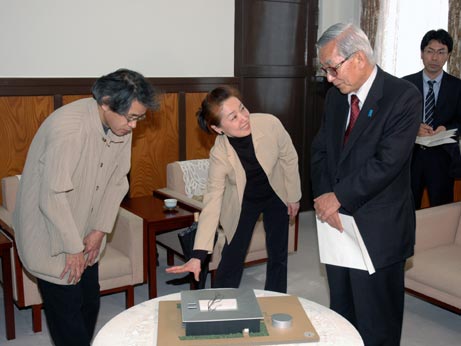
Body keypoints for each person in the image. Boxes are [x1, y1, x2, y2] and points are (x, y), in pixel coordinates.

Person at [13, 68, 159, 346]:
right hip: (49, 233)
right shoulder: (68, 130)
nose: (134, 126)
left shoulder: (120, 126)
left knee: (89, 304)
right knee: (67, 316)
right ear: (105, 102)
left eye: (139, 118)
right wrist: (72, 247)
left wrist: (100, 229)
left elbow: (118, 182)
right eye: (131, 117)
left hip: (86, 230)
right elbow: (52, 195)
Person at [311, 23, 421, 345]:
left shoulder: (402, 97)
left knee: (377, 322)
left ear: (358, 58)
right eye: (325, 70)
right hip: (336, 225)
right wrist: (323, 197)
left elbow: (387, 163)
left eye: (332, 68)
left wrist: (338, 196)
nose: (329, 78)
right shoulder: (335, 98)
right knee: (342, 313)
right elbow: (320, 151)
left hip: (378, 230)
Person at [166, 86, 301, 293]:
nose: (244, 118)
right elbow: (212, 201)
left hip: (276, 193)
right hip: (243, 201)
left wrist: (293, 196)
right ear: (218, 129)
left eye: (242, 108)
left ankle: (276, 298)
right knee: (232, 257)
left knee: (278, 255)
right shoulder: (219, 154)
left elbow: (289, 157)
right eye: (233, 117)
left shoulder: (269, 123)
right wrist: (198, 255)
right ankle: (221, 303)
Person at [403, 29, 461, 209]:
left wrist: (447, 128)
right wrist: (414, 128)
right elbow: (394, 121)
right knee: (407, 208)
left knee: (442, 210)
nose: (434, 58)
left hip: (443, 158)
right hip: (410, 157)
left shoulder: (458, 87)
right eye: (430, 51)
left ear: (448, 55)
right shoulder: (404, 85)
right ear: (422, 54)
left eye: (441, 52)